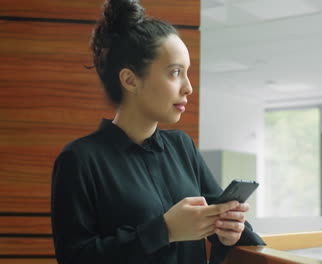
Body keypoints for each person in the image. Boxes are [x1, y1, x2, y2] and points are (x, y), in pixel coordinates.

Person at [50, 0, 265, 263]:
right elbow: (75, 258)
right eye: (175, 72)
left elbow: (225, 227)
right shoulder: (79, 159)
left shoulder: (182, 146)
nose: (188, 88)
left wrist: (230, 232)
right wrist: (165, 231)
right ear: (130, 80)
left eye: (187, 73)